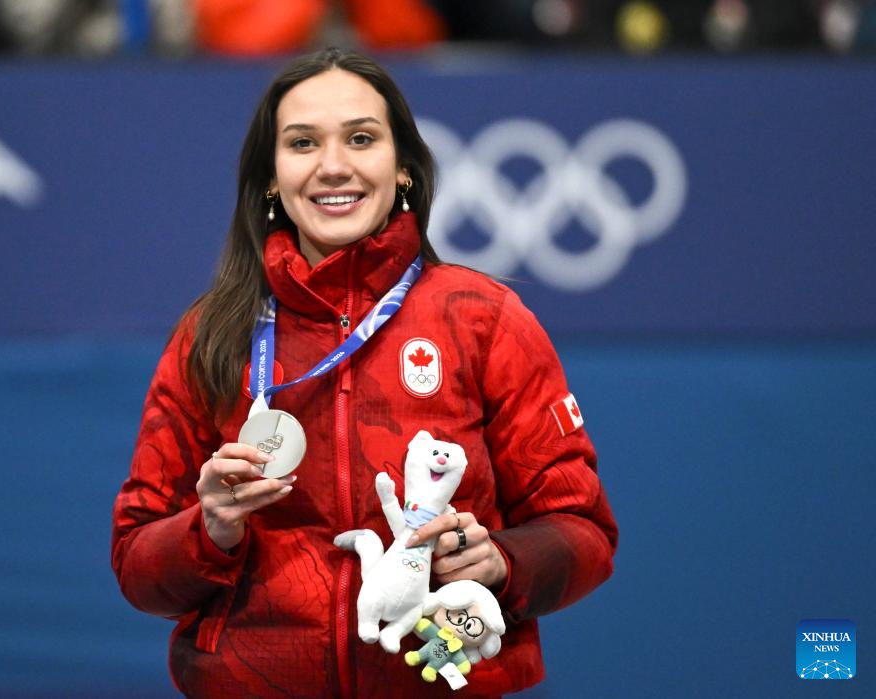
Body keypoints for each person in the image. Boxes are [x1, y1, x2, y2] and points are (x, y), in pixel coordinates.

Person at [111, 46, 617, 698]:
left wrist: (502, 561)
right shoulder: (210, 335)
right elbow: (135, 563)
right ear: (271, 178)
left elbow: (584, 530)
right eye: (302, 142)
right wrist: (208, 530)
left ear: (402, 168)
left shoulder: (484, 319)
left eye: (360, 138)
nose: (333, 165)